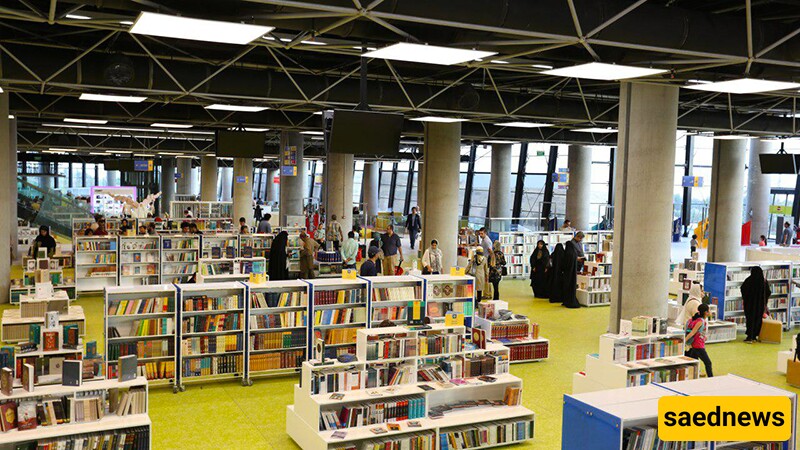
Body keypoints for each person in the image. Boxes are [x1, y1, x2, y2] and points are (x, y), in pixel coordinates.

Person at [741, 266, 770, 343]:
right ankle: (754, 336)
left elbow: (743, 289)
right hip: (760, 306)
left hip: (750, 305)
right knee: (758, 320)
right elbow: (768, 292)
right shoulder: (764, 281)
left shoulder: (749, 280)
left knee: (750, 320)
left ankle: (749, 336)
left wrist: (747, 298)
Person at [685, 303, 713, 377]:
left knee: (694, 362)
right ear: (705, 312)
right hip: (698, 345)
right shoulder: (700, 321)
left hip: (695, 344)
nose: (710, 312)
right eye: (709, 310)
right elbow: (692, 333)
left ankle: (693, 376)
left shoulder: (697, 319)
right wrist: (684, 341)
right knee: (708, 363)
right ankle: (711, 378)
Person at [561, 239, 581, 309]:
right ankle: (571, 300)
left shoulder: (567, 254)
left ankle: (566, 301)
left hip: (567, 274)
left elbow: (564, 264)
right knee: (572, 287)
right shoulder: (574, 253)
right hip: (573, 274)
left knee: (566, 287)